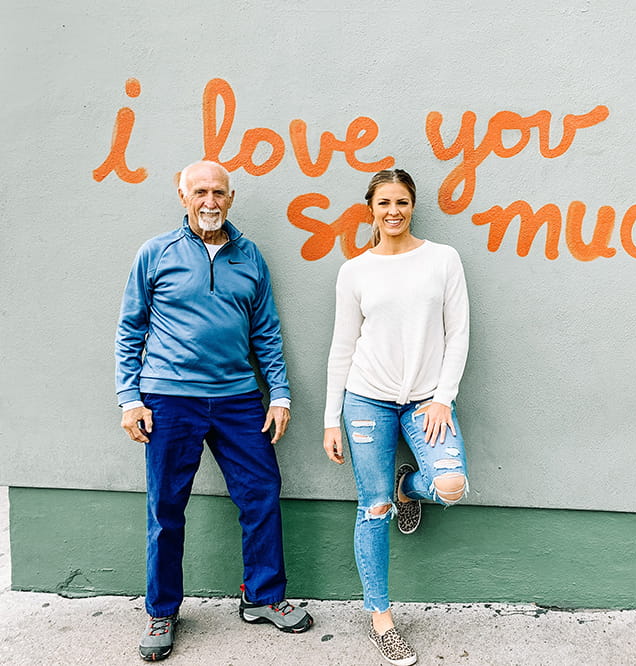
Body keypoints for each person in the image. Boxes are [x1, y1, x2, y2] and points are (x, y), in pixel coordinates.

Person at [115, 160, 313, 661]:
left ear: (231, 197)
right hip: (168, 397)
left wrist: (281, 393)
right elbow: (129, 330)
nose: (210, 201)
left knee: (262, 490)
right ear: (181, 195)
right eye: (199, 191)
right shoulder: (155, 253)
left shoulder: (250, 256)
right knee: (166, 506)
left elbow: (266, 331)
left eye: (218, 192)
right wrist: (130, 398)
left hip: (238, 398)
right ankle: (162, 612)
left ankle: (262, 597)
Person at [323, 168, 470, 666]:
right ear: (371, 209)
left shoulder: (442, 260)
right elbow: (342, 348)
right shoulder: (355, 270)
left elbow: (458, 334)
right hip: (366, 397)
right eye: (384, 203)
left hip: (426, 398)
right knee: (374, 506)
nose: (393, 211)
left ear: (413, 206)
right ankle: (381, 618)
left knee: (450, 485)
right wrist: (329, 419)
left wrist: (443, 398)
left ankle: (412, 488)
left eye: (402, 202)